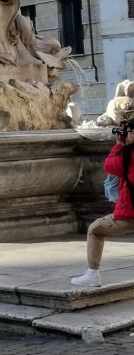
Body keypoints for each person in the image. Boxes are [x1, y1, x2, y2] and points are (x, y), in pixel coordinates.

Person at [72, 121, 134, 287]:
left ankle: (92, 274)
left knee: (95, 230)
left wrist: (119, 145)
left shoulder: (129, 154)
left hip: (129, 214)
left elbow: (109, 166)